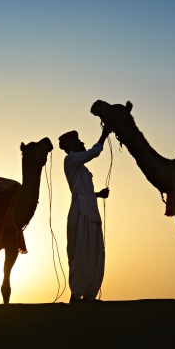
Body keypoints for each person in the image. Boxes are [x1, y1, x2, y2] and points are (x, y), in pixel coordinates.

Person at [58, 126, 112, 303]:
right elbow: (93, 153)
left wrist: (97, 194)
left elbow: (84, 190)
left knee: (94, 253)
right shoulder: (70, 160)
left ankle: (89, 296)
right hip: (81, 211)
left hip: (91, 211)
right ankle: (75, 295)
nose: (82, 143)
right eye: (79, 141)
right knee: (80, 252)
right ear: (71, 146)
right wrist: (104, 135)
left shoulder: (80, 168)